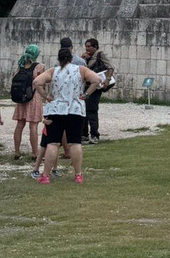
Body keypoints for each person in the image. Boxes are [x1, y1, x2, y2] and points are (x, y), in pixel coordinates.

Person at [30, 46, 106, 184]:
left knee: (52, 143)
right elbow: (96, 79)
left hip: (56, 110)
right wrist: (87, 94)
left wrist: (46, 96)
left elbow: (36, 82)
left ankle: (45, 176)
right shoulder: (80, 70)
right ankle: (78, 174)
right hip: (75, 109)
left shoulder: (53, 71)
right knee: (75, 143)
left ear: (58, 59)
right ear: (71, 58)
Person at [11, 44, 45, 160]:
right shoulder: (39, 67)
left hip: (21, 98)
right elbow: (41, 82)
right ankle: (35, 153)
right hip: (33, 97)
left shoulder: (20, 66)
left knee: (20, 125)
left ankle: (17, 151)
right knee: (33, 125)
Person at [82, 38, 116, 144]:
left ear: (95, 47)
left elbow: (110, 67)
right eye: (86, 46)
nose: (87, 48)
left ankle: (94, 134)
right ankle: (84, 134)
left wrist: (107, 79)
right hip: (86, 86)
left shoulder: (100, 55)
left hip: (96, 87)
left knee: (91, 110)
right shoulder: (87, 57)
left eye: (89, 46)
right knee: (84, 110)